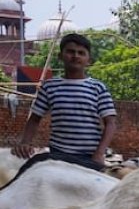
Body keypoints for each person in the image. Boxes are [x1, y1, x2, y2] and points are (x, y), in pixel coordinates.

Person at [12, 32, 117, 170]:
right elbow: (34, 119)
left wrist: (99, 154)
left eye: (81, 53)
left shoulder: (98, 87)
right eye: (70, 51)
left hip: (89, 157)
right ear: (60, 56)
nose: (75, 56)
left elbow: (110, 123)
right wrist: (25, 142)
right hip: (58, 156)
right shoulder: (50, 86)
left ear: (88, 60)